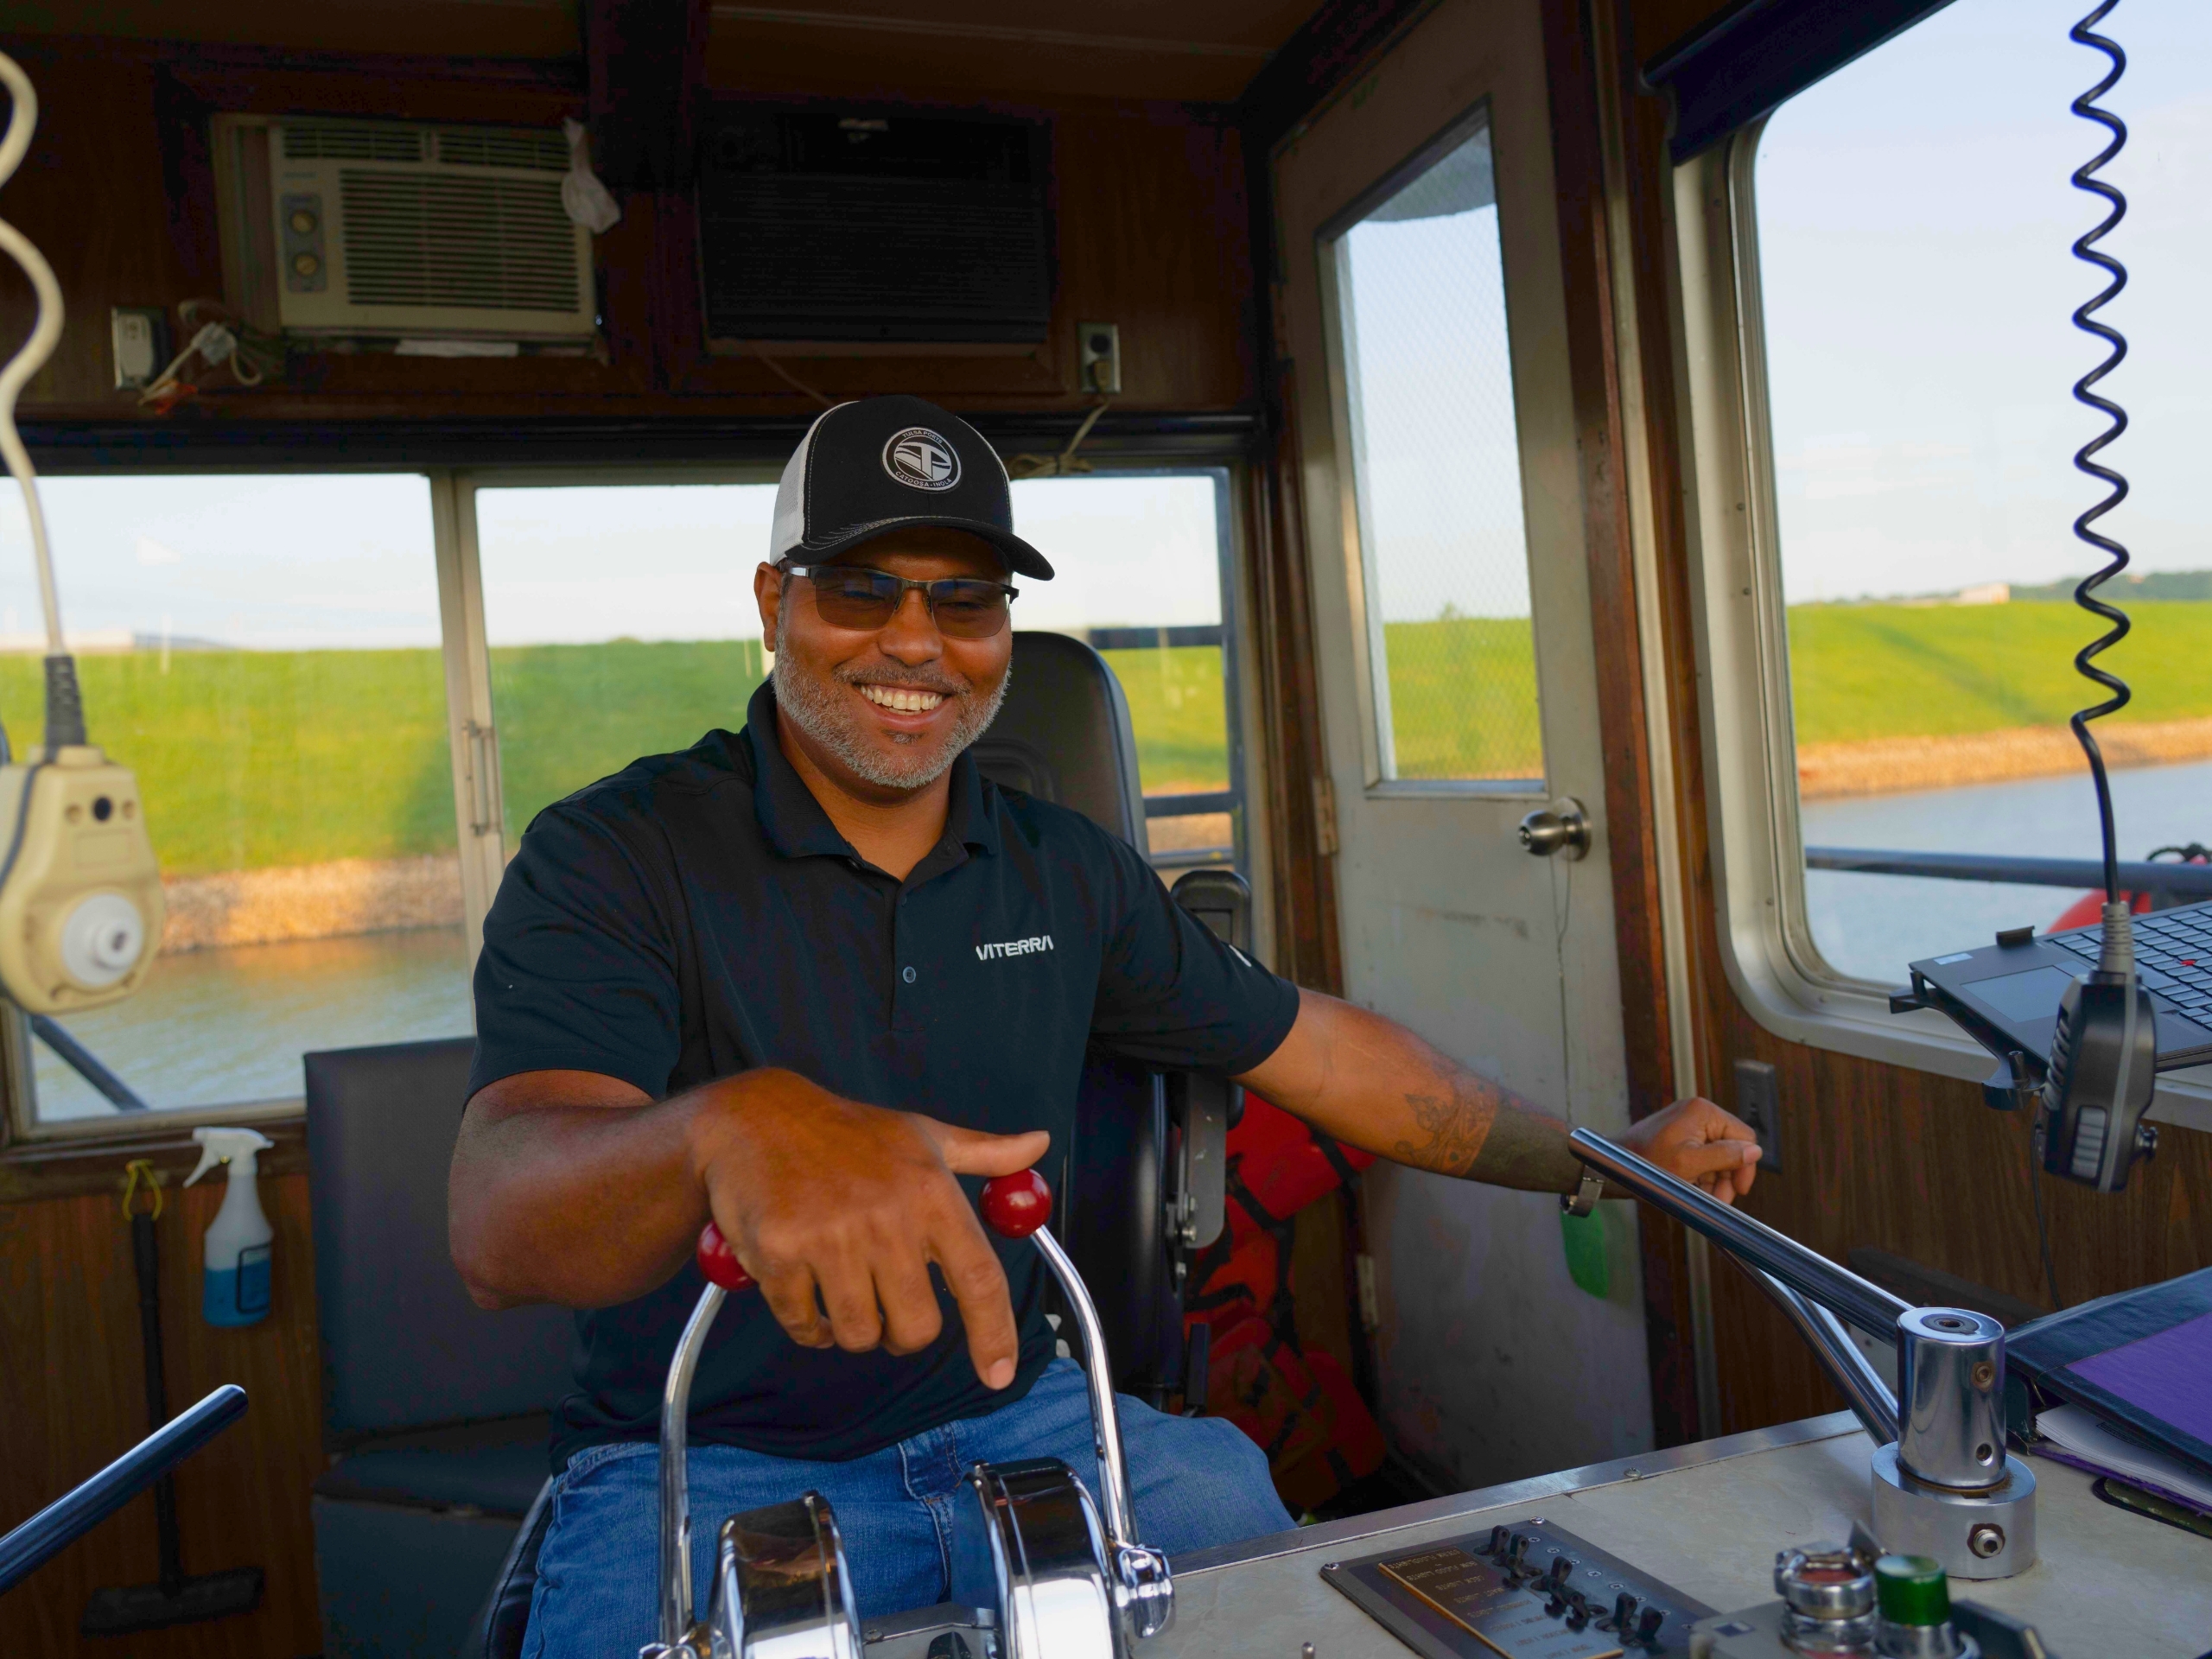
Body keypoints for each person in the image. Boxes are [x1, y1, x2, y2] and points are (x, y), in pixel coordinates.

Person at [448, 395, 1761, 1656]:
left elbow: (1321, 1052)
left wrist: (1598, 1159)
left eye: (965, 600)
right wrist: (729, 1129)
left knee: (1263, 1570)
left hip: (1031, 1425)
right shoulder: (616, 855)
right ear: (771, 601)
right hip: (702, 1463)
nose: (917, 642)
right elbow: (501, 1218)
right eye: (861, 589)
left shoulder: (1068, 872)